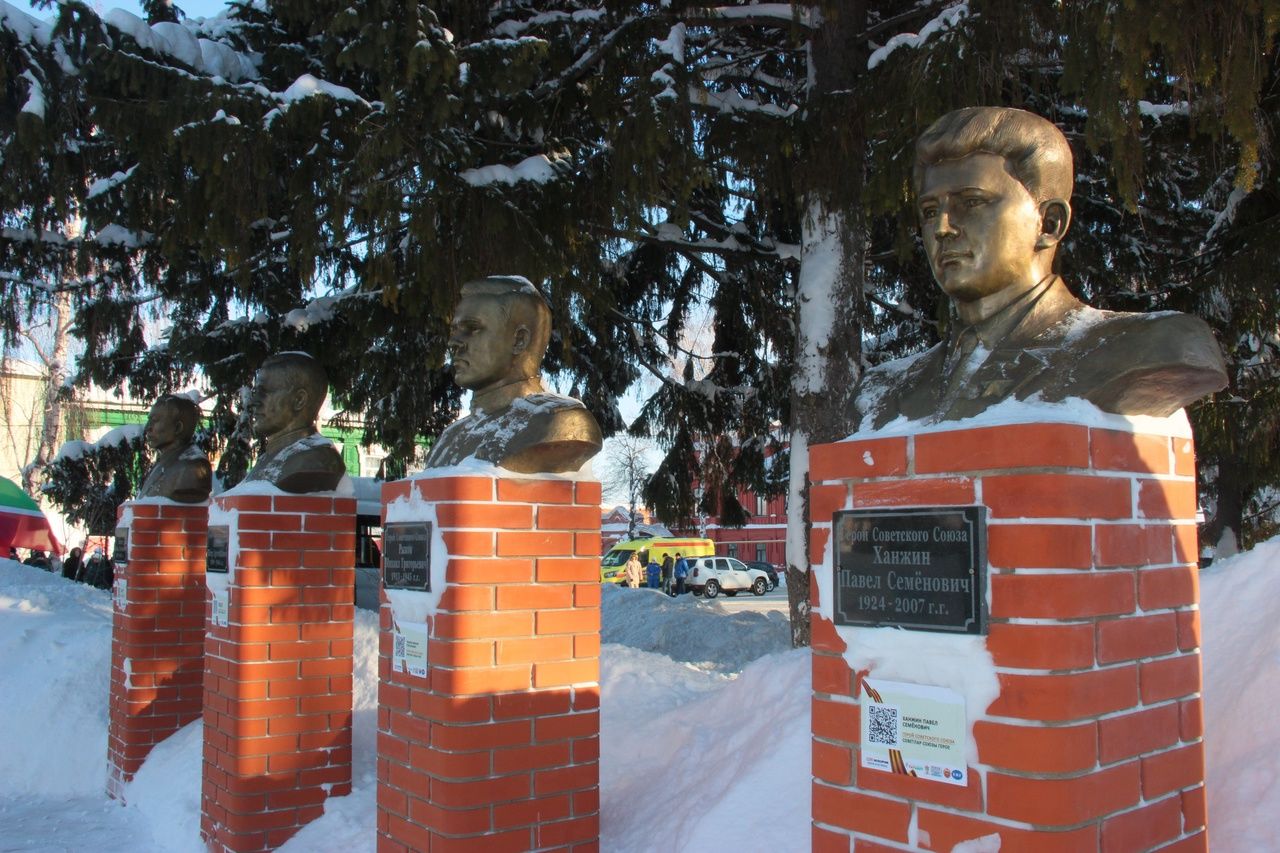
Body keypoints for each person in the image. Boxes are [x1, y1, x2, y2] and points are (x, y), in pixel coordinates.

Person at [850, 106, 1227, 430]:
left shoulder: (1148, 347)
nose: (942, 228)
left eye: (971, 202)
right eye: (930, 211)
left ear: (1048, 224)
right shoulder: (884, 389)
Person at [424, 276, 603, 473]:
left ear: (519, 340)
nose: (453, 343)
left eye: (472, 328)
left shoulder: (558, 422)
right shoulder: (448, 438)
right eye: (455, 330)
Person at [241, 352, 347, 493]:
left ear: (299, 400)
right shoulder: (272, 455)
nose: (253, 402)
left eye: (263, 392)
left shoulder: (314, 460)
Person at [136, 394, 212, 502]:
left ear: (177, 428)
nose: (147, 427)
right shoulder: (163, 462)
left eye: (154, 420)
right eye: (149, 420)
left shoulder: (193, 466)